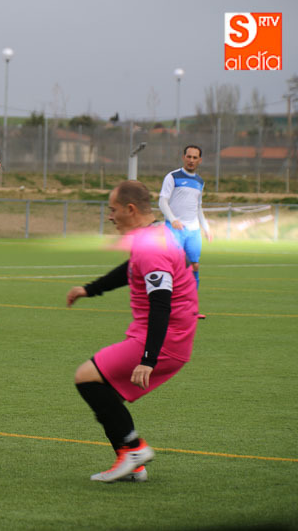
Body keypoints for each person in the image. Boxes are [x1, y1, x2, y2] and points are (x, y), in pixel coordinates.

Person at [66, 180, 198, 482]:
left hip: (164, 340)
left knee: (86, 377)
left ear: (130, 209)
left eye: (113, 210)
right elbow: (131, 268)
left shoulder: (153, 248)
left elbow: (161, 305)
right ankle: (131, 464)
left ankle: (134, 449)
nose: (110, 216)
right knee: (106, 395)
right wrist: (90, 289)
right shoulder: (154, 236)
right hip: (167, 336)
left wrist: (148, 359)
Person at [158, 145, 211, 318]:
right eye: (189, 156)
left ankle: (191, 309)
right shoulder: (172, 176)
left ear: (200, 160)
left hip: (193, 230)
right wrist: (173, 219)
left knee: (194, 265)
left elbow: (198, 207)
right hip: (174, 229)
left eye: (195, 157)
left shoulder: (200, 182)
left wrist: (206, 228)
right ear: (183, 157)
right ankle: (169, 307)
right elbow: (162, 201)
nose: (191, 160)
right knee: (174, 267)